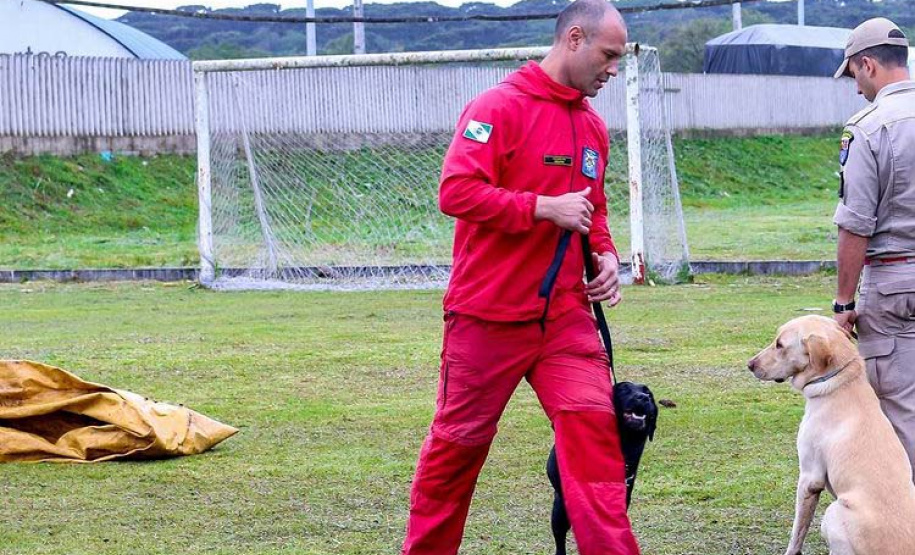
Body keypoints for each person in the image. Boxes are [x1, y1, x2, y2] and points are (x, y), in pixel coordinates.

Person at [399, 1, 640, 554]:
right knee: (457, 450)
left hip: (565, 319)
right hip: (486, 317)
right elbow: (456, 192)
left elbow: (594, 207)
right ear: (574, 39)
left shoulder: (592, 126)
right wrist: (541, 207)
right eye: (608, 55)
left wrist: (604, 254)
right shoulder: (498, 107)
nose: (613, 69)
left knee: (596, 444)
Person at [831, 17, 915, 478]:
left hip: (894, 285)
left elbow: (856, 224)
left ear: (867, 64)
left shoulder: (867, 127)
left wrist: (844, 302)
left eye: (854, 74)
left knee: (900, 414)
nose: (856, 86)